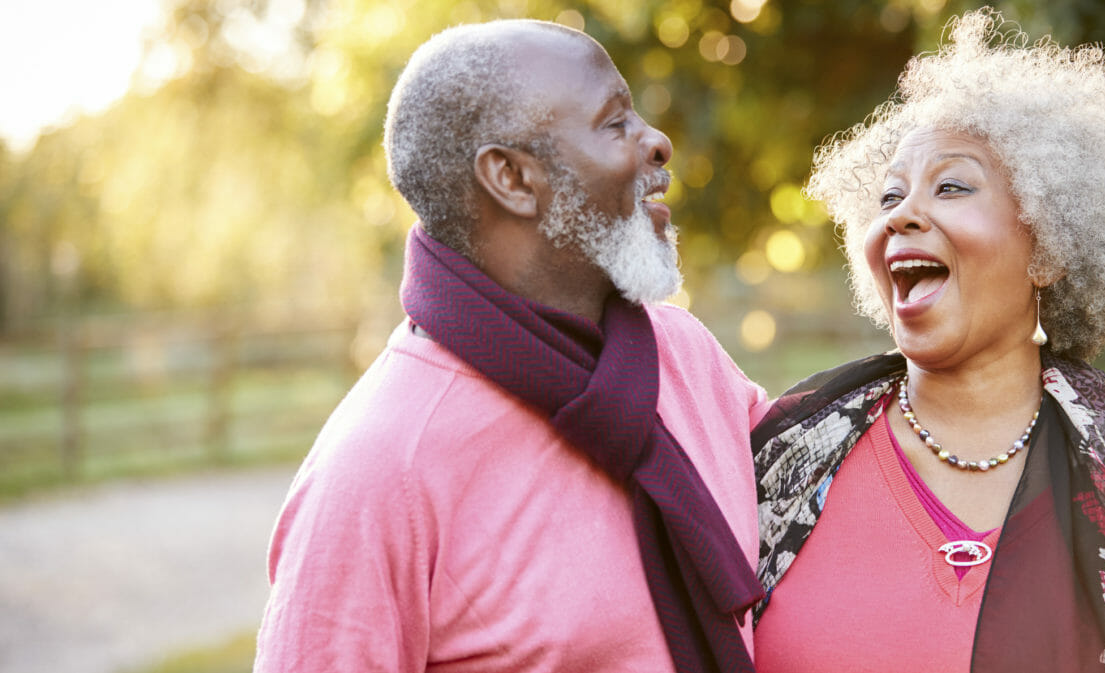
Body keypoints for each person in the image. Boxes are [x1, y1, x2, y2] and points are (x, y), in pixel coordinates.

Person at [253, 19, 771, 673]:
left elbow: (827, 491)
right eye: (616, 123)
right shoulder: (379, 470)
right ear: (513, 178)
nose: (659, 142)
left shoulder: (682, 353)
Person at [750, 9, 1105, 673]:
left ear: (1047, 248)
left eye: (951, 186)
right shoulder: (774, 464)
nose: (901, 214)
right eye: (889, 197)